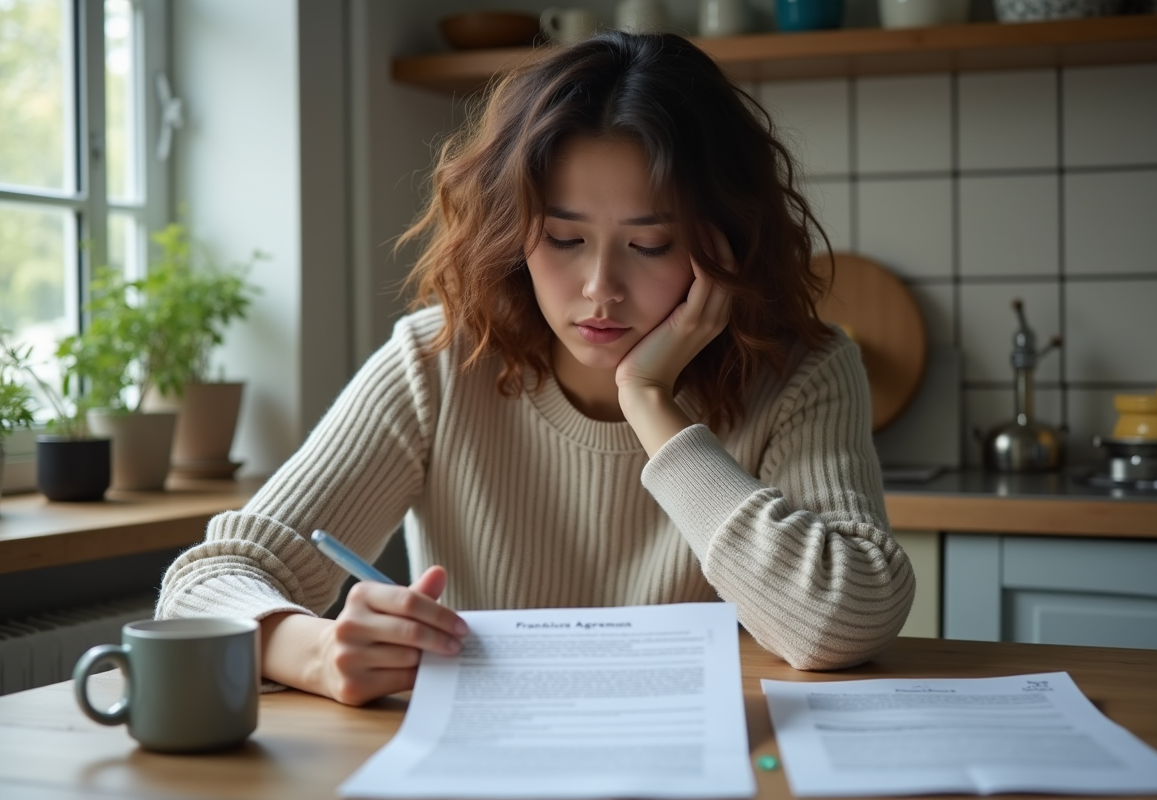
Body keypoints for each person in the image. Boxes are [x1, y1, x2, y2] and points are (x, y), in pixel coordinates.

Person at [157, 31, 914, 706]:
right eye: (563, 238)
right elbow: (202, 584)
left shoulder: (804, 372)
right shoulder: (439, 362)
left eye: (650, 245)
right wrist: (319, 653)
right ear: (513, 232)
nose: (601, 289)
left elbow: (845, 624)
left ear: (724, 245)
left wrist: (650, 400)